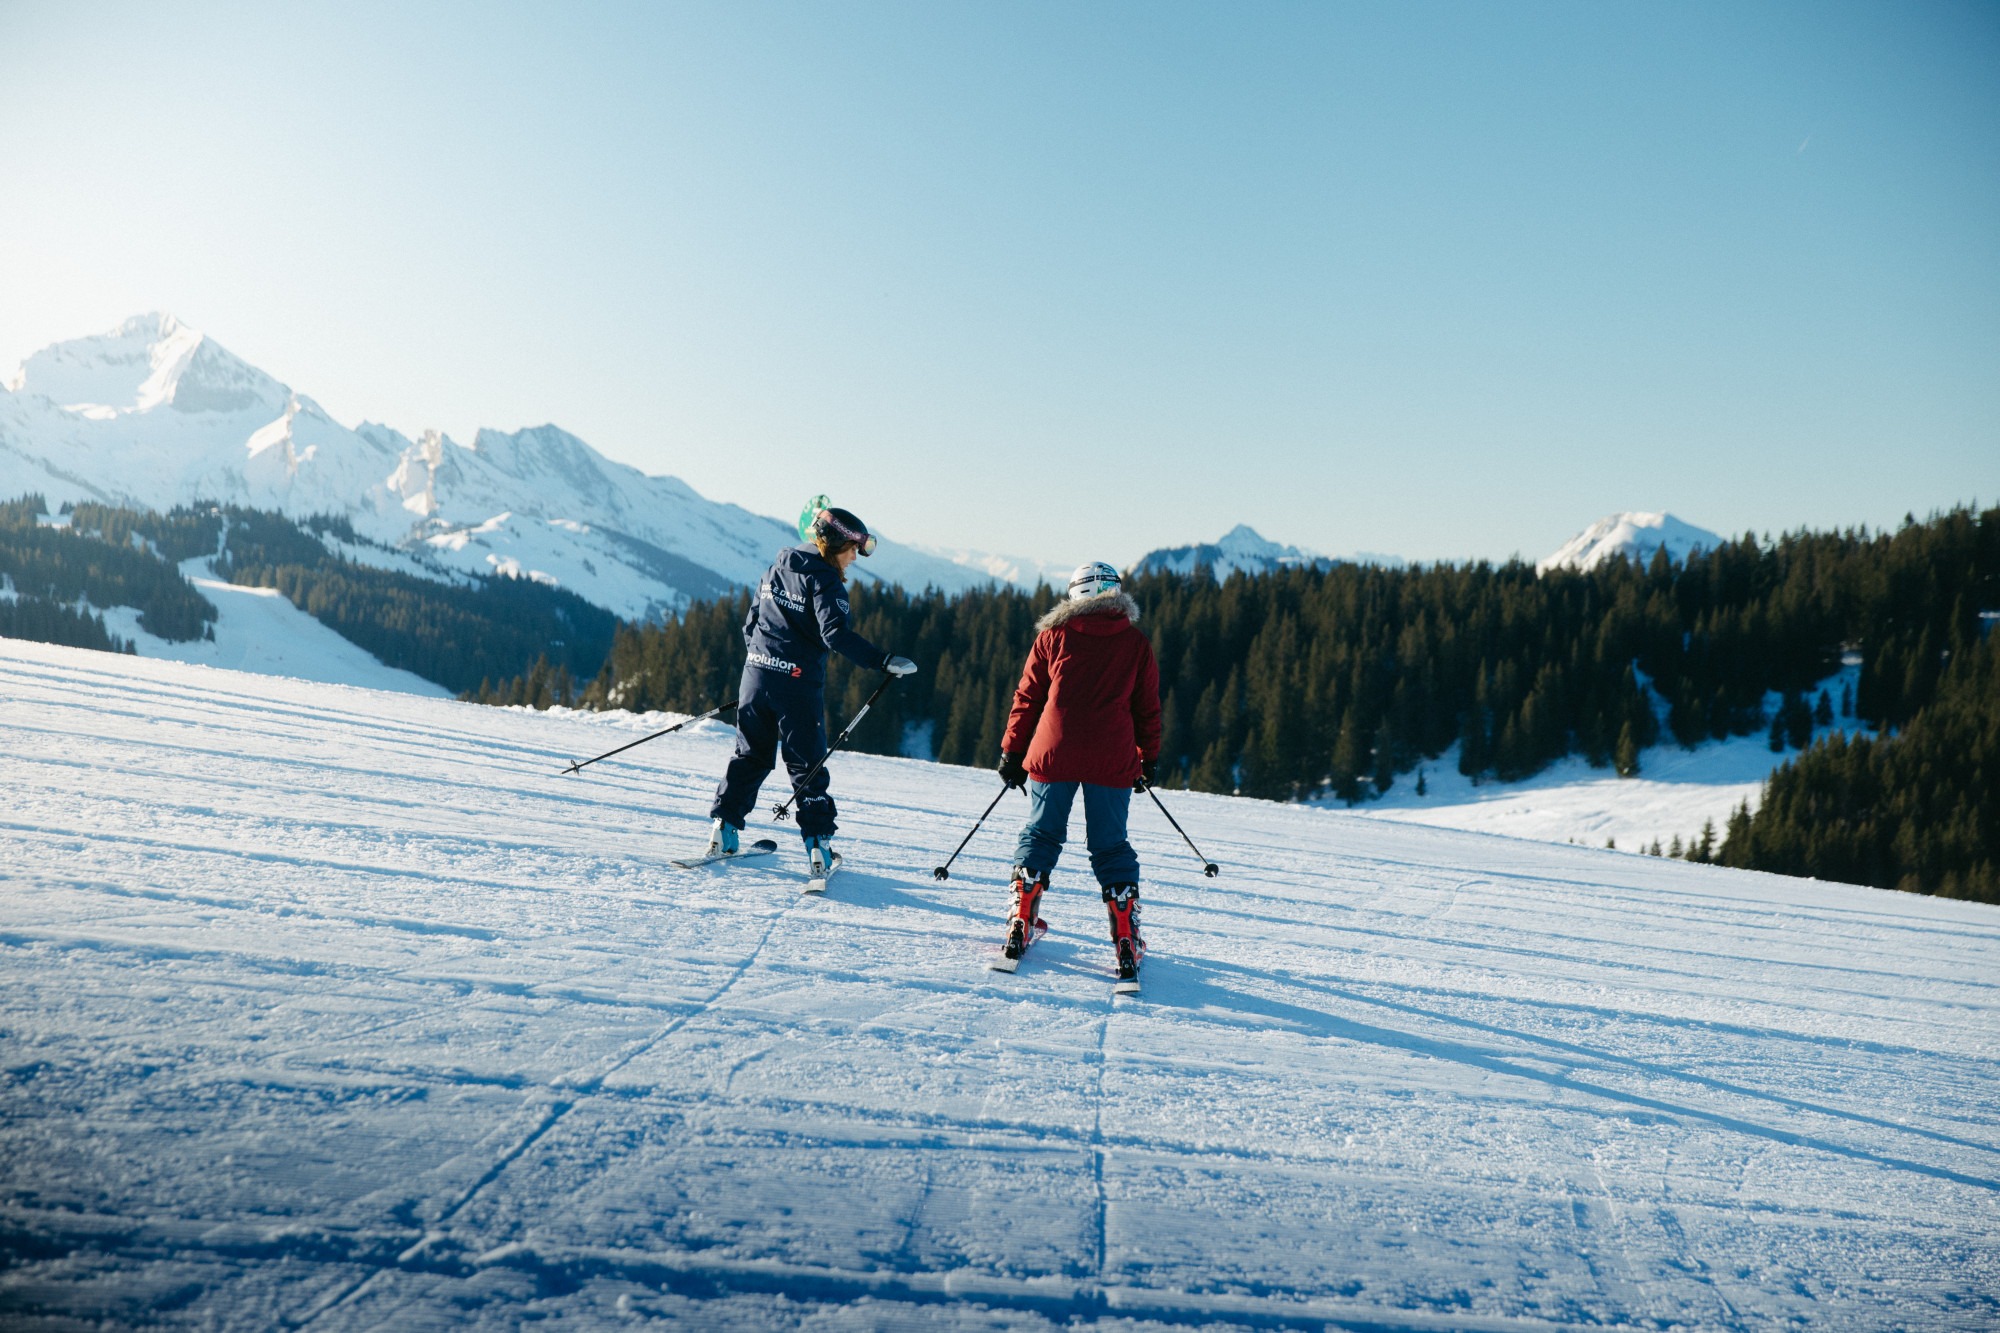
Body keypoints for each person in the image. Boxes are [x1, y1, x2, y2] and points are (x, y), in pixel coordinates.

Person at [708, 500, 918, 878]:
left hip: (755, 678)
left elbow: (750, 626)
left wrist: (764, 668)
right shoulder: (825, 580)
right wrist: (883, 660)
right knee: (807, 766)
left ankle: (723, 832)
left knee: (750, 756)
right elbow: (835, 634)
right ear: (836, 545)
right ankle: (818, 848)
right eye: (853, 549)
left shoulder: (776, 568)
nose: (855, 558)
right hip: (796, 688)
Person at [996, 561, 1161, 980]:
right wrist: (1149, 758)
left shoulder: (1052, 636)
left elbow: (1027, 697)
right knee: (1110, 846)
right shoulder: (1135, 643)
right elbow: (1148, 709)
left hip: (1054, 755)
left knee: (1041, 834)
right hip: (1112, 758)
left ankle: (1021, 919)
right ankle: (1125, 934)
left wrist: (1012, 753)